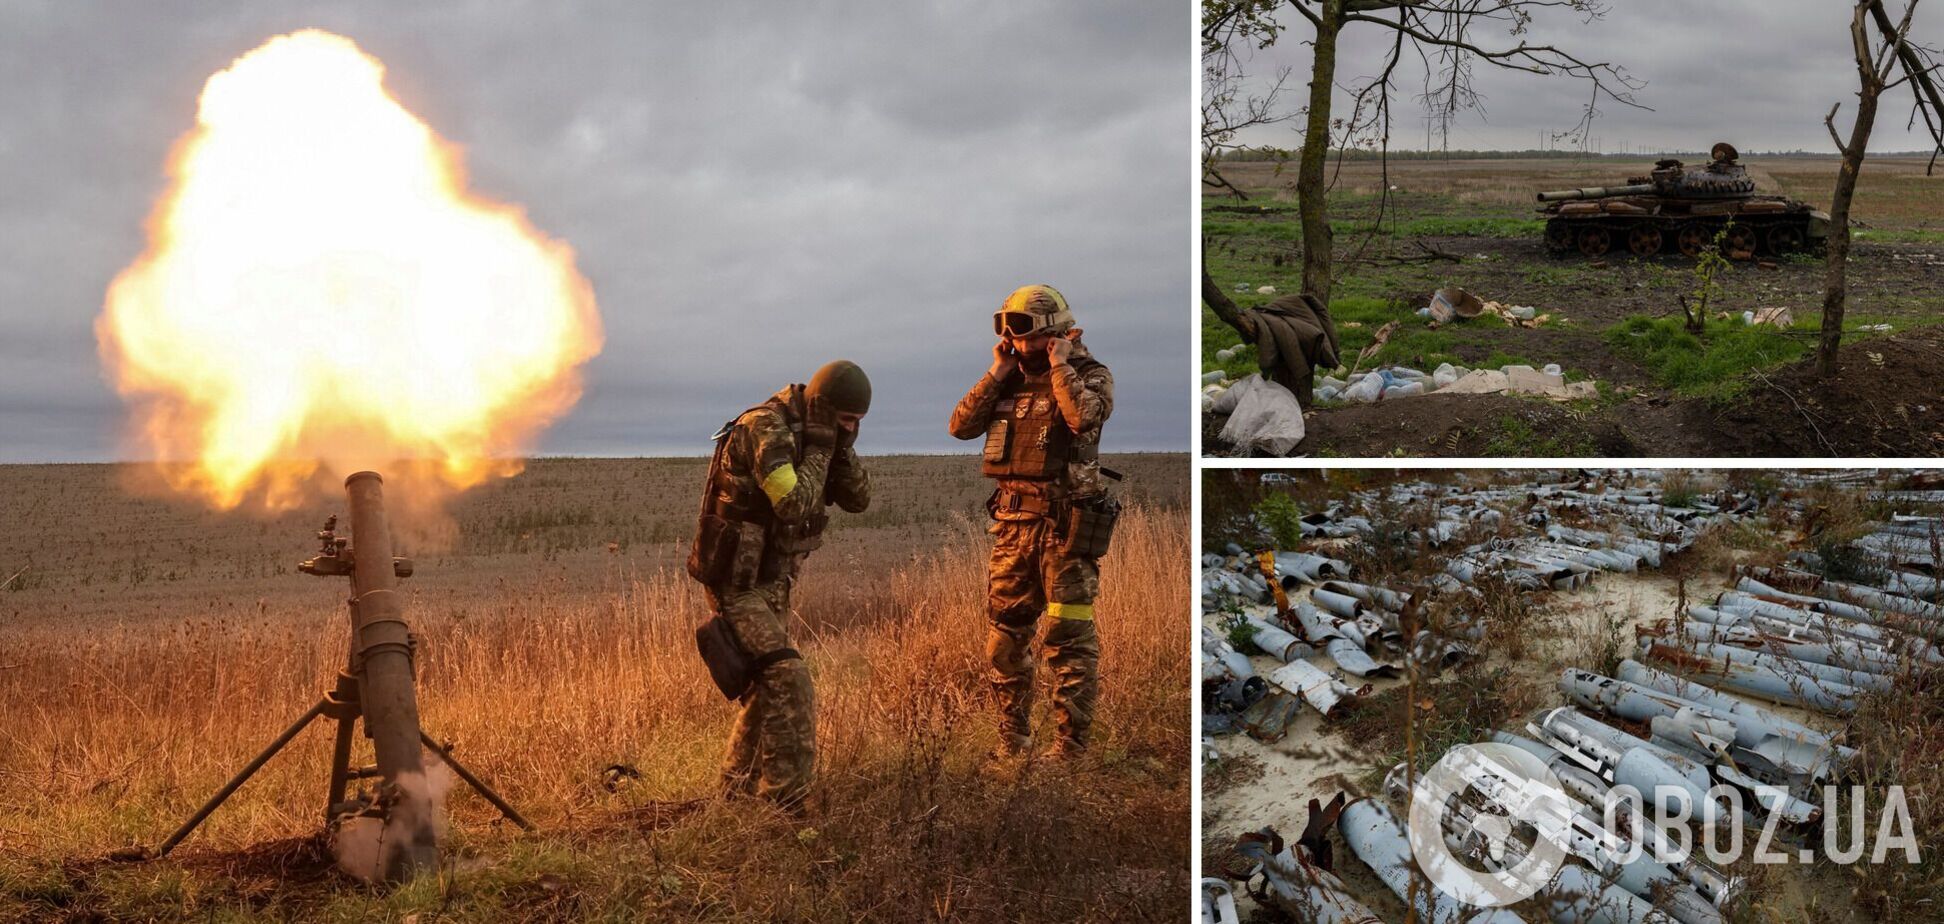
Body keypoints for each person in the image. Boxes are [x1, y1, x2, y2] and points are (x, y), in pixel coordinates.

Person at [688, 360, 872, 807]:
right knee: (789, 677)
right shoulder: (763, 428)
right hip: (737, 582)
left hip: (773, 581)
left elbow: (859, 498)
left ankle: (733, 795)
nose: (851, 428)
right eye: (846, 419)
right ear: (824, 408)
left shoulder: (822, 434)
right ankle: (786, 803)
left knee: (764, 686)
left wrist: (837, 443)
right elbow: (791, 502)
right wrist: (820, 450)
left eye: (857, 423)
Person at [948, 285, 1117, 759]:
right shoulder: (1009, 376)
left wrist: (1062, 364)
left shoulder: (1090, 375)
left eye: (1022, 332)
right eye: (1006, 331)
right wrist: (997, 371)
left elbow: (1084, 419)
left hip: (1066, 533)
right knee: (1004, 642)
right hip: (1011, 529)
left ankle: (1070, 751)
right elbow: (960, 426)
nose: (1015, 341)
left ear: (1054, 332)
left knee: (1069, 642)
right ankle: (1013, 741)